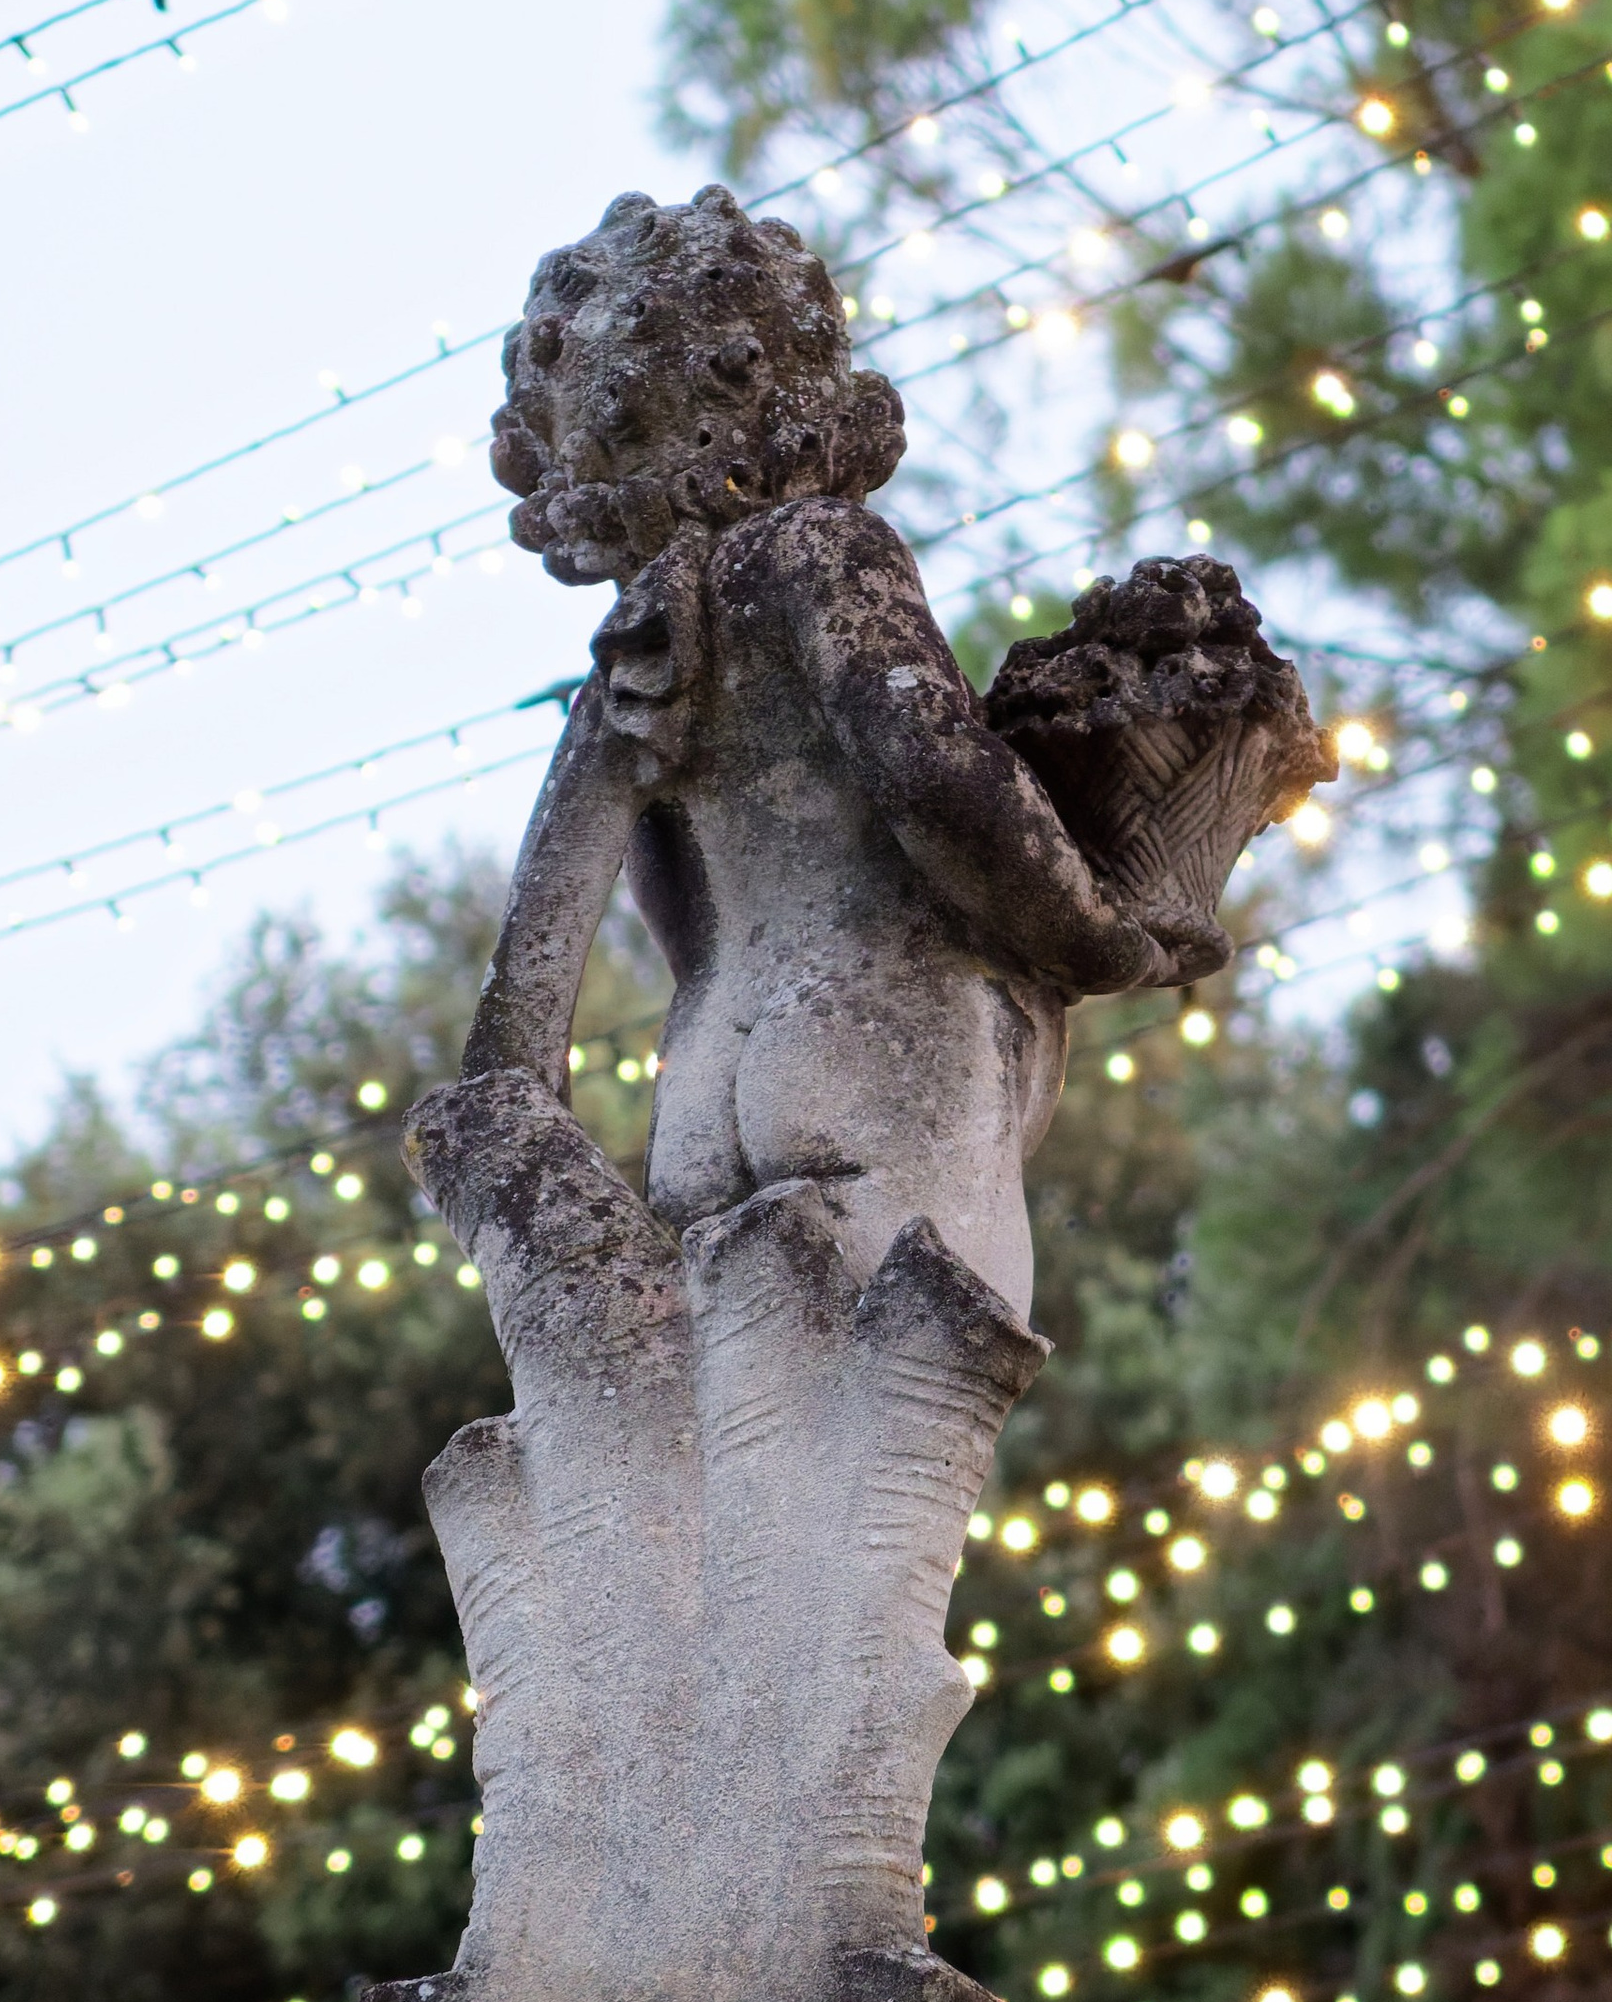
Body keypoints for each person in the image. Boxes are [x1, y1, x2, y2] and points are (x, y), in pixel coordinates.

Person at [470, 181, 1203, 1321]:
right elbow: (933, 775)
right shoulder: (821, 550)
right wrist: (1103, 936)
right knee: (913, 1414)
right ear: (786, 366)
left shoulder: (617, 679)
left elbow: (518, 1023)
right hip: (880, 1033)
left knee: (758, 1427)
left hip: (699, 1090)